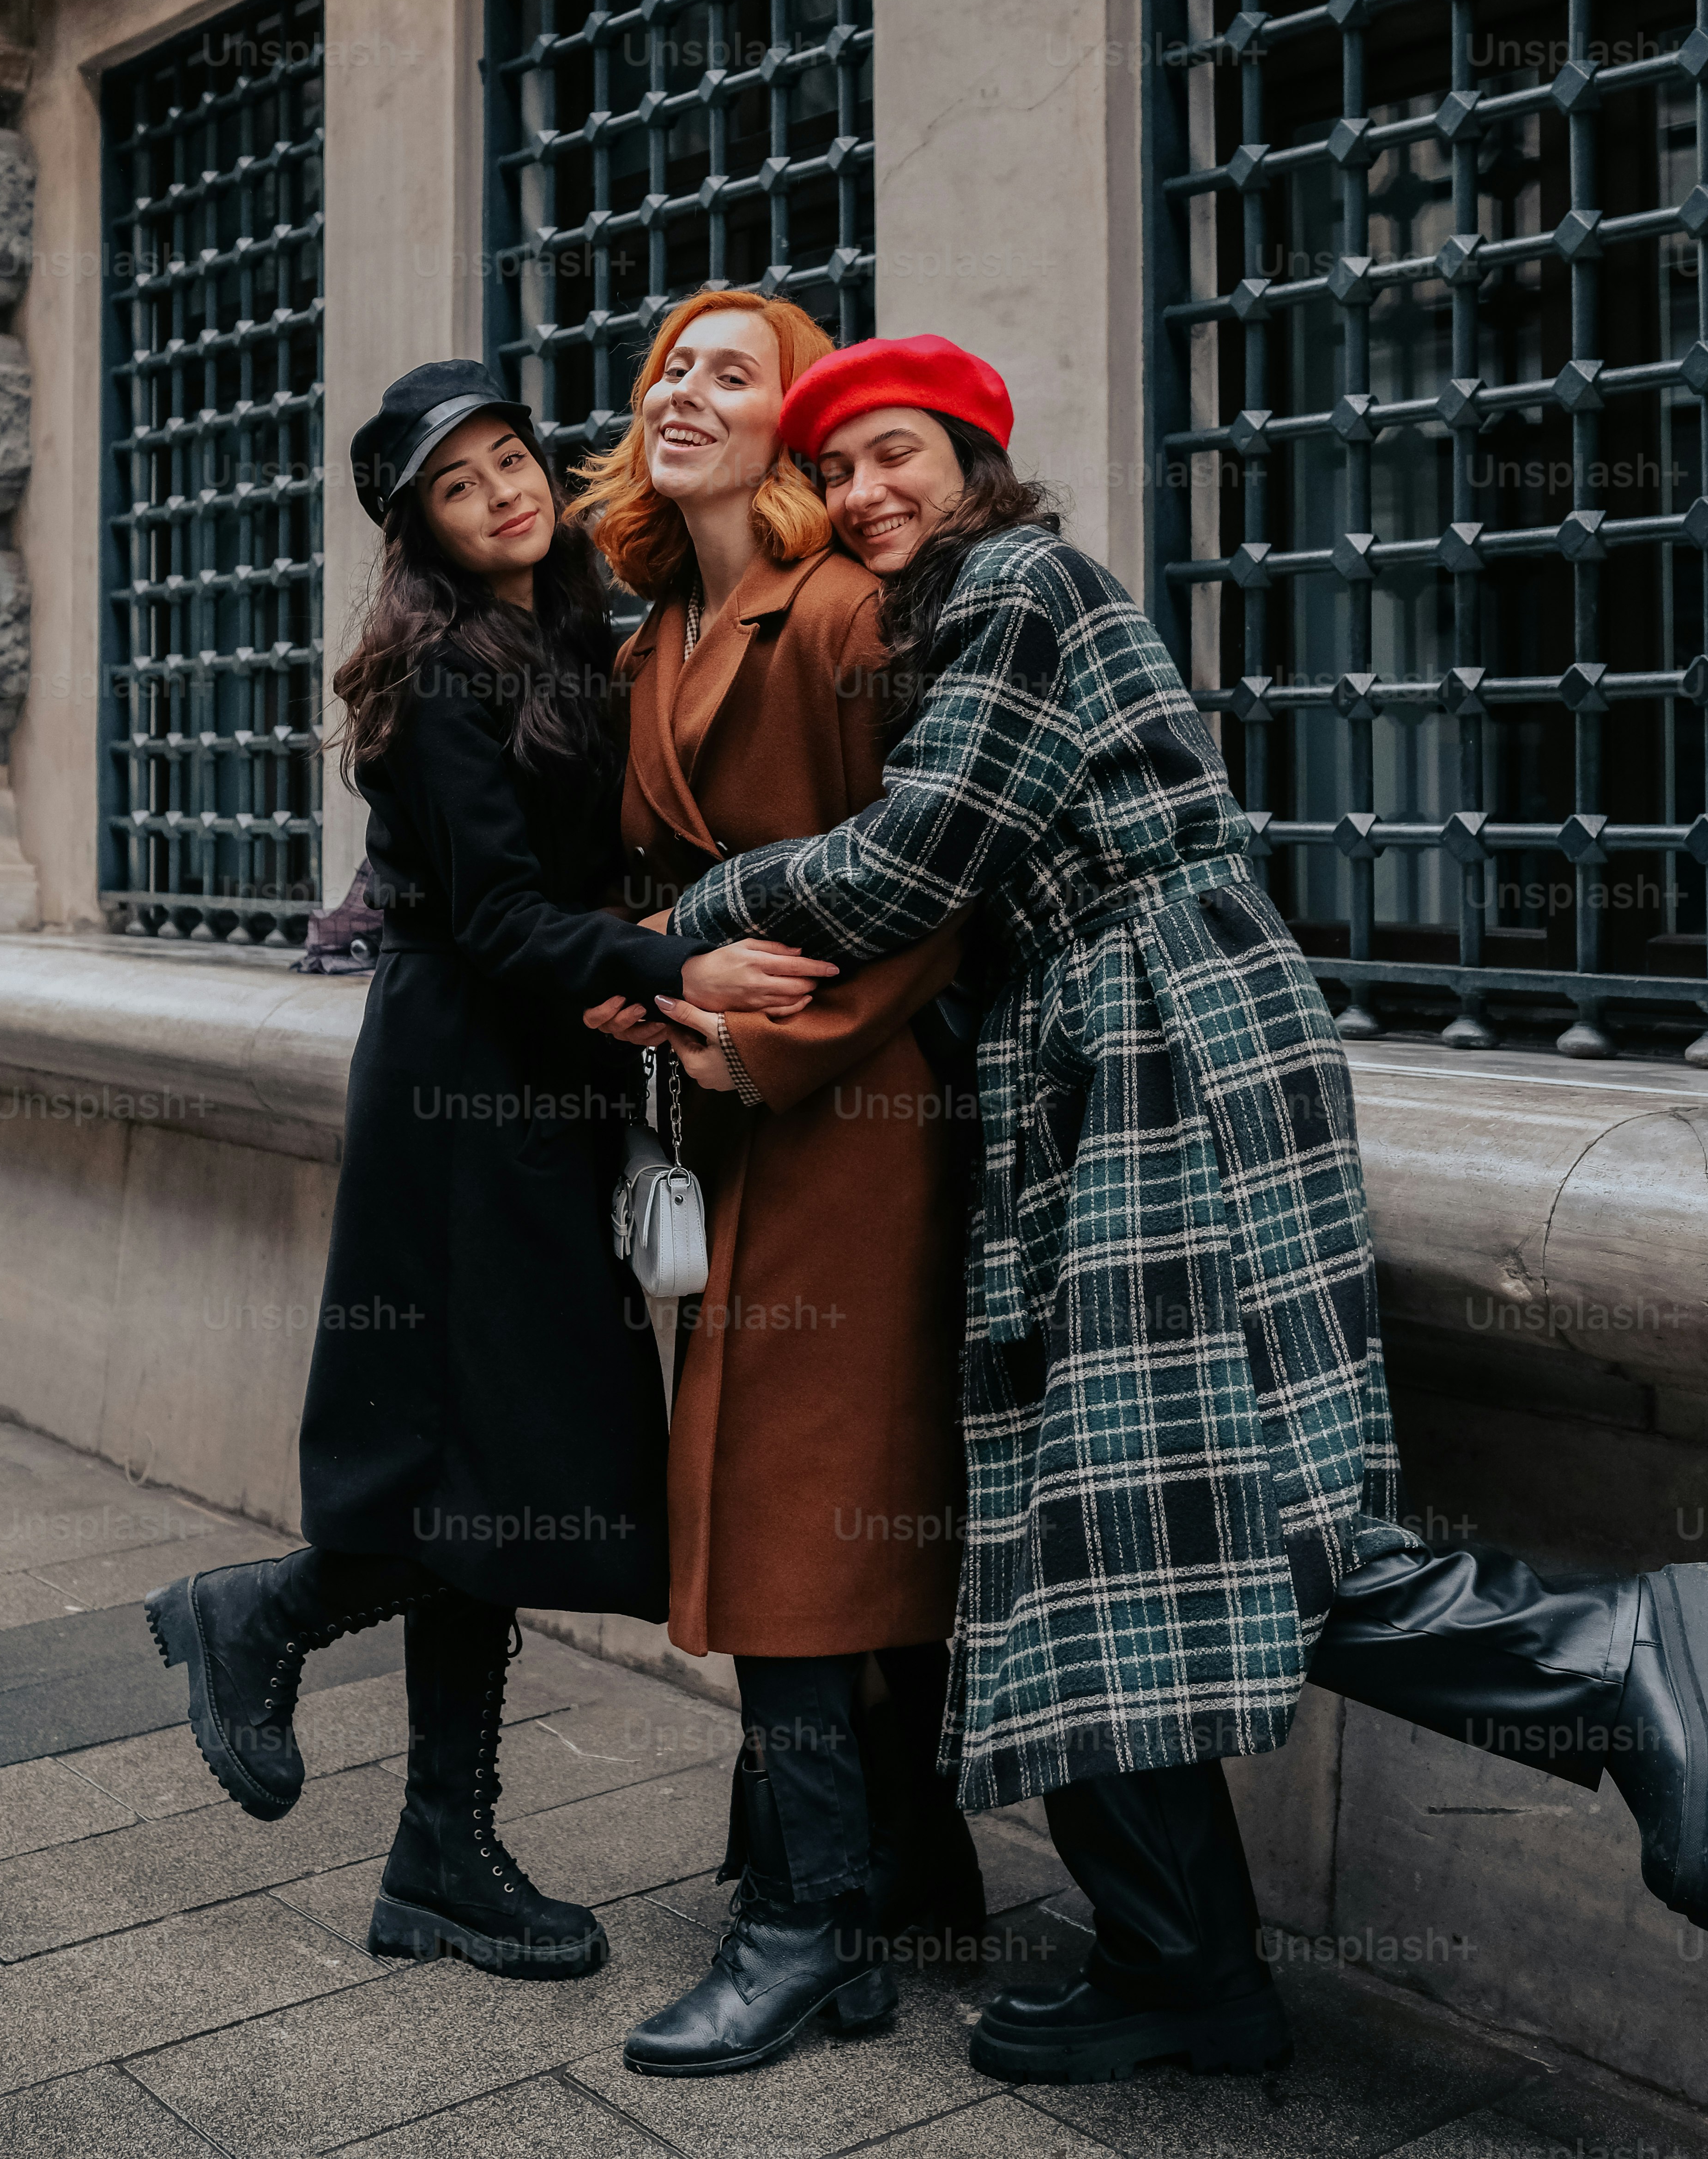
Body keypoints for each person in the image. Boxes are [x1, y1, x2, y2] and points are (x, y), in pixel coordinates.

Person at [666, 329, 1708, 2086]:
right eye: (839, 470)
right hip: (1088, 1057)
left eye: (896, 455)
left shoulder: (1019, 586)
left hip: (1169, 1038)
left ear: (974, 459)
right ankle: (1182, 1965)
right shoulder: (946, 618)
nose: (865, 493)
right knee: (1098, 1531)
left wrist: (695, 910)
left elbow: (915, 859)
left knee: (1230, 1510)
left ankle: (1600, 1651)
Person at [146, 360, 831, 1982]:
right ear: (426, 535)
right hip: (462, 1094)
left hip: (540, 1075)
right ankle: (268, 1613)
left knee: (491, 1459)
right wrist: (680, 966)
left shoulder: (578, 635)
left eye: (510, 459)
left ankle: (438, 1857)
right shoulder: (441, 677)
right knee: (505, 1450)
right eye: (458, 489)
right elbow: (506, 919)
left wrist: (639, 971)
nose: (503, 494)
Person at [565, 287, 984, 2076]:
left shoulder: (841, 613)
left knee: (796, 1515)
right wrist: (646, 980)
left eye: (729, 373)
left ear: (791, 426)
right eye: (669, 366)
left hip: (856, 1119)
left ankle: (811, 1925)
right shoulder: (647, 641)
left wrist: (767, 1044)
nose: (682, 390)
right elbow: (637, 894)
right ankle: (904, 1881)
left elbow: (936, 885)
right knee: (785, 1502)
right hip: (723, 1120)